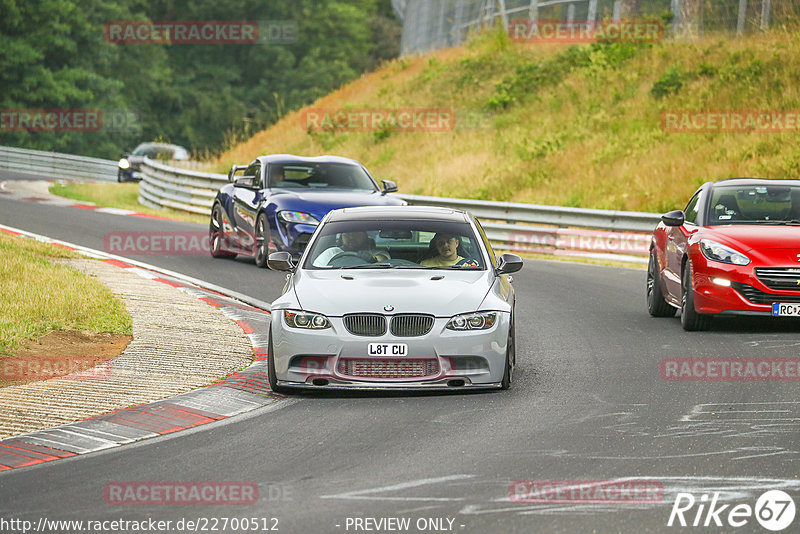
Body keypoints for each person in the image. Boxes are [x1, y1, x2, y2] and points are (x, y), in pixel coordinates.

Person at [312, 231, 390, 266]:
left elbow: (383, 259)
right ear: (342, 237)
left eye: (356, 234)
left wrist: (372, 259)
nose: (351, 237)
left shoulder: (376, 252)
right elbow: (316, 268)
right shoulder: (331, 252)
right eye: (347, 234)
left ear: (365, 236)